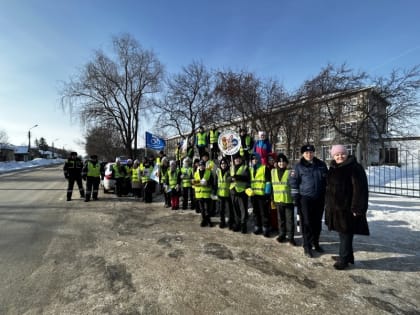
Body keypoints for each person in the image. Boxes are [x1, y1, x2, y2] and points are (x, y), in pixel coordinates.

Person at [325, 145, 369, 270]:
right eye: (336, 155)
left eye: (342, 154)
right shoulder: (333, 167)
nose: (339, 156)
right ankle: (347, 256)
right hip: (336, 208)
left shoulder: (355, 168)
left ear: (346, 154)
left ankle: (343, 259)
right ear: (333, 156)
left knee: (346, 233)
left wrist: (357, 207)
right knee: (343, 233)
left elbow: (360, 189)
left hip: (348, 208)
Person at [289, 144, 328, 258]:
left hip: (319, 198)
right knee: (307, 223)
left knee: (317, 223)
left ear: (314, 153)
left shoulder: (321, 165)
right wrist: (295, 197)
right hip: (305, 199)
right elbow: (293, 182)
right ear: (302, 154)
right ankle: (307, 246)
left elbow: (327, 181)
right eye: (306, 153)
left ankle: (315, 243)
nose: (309, 154)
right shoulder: (298, 166)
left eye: (311, 152)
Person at [271, 153, 296, 246]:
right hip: (278, 200)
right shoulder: (273, 172)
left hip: (288, 200)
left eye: (283, 162)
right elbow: (272, 185)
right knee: (280, 219)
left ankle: (291, 237)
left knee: (289, 220)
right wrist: (272, 198)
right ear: (277, 163)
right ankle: (282, 235)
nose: (281, 164)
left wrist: (295, 198)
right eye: (279, 162)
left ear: (286, 163)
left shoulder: (290, 172)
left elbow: (294, 185)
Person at [249, 153, 272, 237]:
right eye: (253, 159)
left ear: (259, 159)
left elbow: (268, 181)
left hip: (263, 195)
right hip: (254, 195)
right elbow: (249, 182)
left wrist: (267, 193)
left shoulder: (264, 168)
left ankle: (266, 228)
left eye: (256, 159)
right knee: (256, 212)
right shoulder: (250, 169)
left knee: (264, 213)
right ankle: (257, 226)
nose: (254, 160)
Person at [228, 153, 251, 233]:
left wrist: (237, 177)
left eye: (238, 159)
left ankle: (243, 225)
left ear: (241, 160)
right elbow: (227, 178)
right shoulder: (231, 168)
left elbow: (246, 178)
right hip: (233, 192)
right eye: (235, 159)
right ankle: (237, 224)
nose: (237, 160)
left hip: (241, 192)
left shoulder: (245, 167)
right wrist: (231, 178)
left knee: (243, 210)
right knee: (235, 210)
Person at [193, 159, 215, 227]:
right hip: (199, 194)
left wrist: (207, 183)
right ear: (198, 166)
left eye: (202, 165)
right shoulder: (195, 173)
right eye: (200, 165)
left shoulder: (208, 172)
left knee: (207, 209)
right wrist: (200, 182)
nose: (201, 167)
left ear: (205, 166)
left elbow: (212, 182)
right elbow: (193, 183)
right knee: (202, 209)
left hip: (207, 194)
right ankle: (204, 220)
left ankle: (208, 220)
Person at [215, 157, 233, 229]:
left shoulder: (230, 171)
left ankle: (230, 222)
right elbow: (216, 182)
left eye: (225, 163)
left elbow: (232, 181)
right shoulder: (218, 172)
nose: (223, 165)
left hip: (228, 193)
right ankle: (222, 221)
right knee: (221, 210)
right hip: (220, 193)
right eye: (222, 163)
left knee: (229, 209)